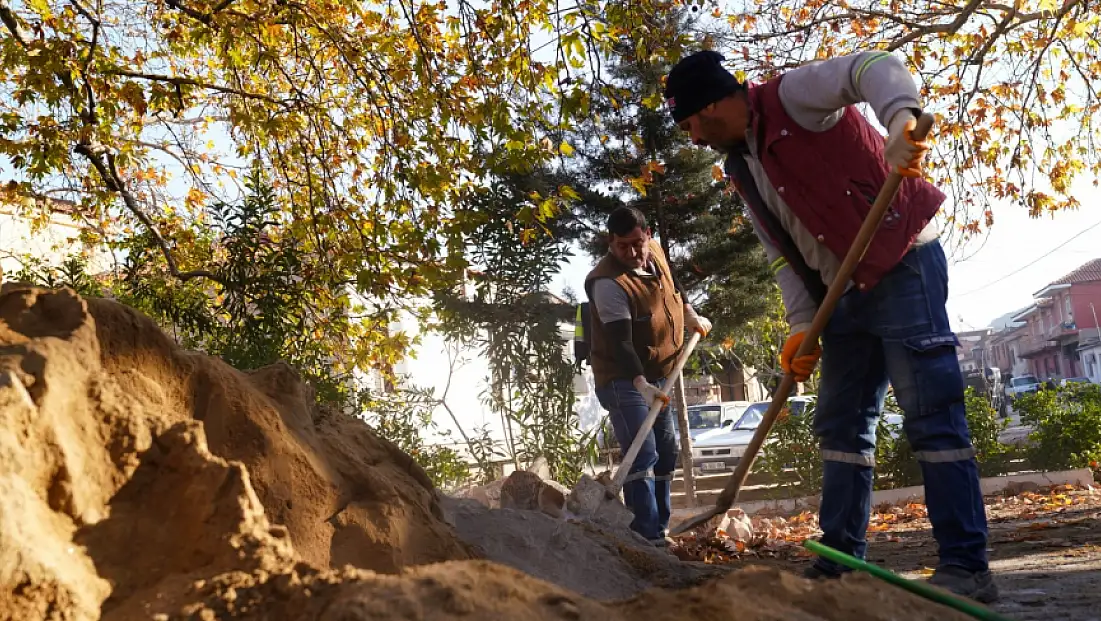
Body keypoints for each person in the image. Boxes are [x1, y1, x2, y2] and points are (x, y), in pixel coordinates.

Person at [662, 50, 996, 602]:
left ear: (722, 98)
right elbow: (780, 254)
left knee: (931, 416)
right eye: (686, 127)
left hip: (901, 265)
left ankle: (967, 567)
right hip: (840, 294)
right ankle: (840, 560)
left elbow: (871, 68)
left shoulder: (793, 96)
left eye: (697, 119)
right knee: (841, 427)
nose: (695, 135)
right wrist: (801, 326)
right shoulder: (742, 167)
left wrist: (901, 121)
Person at [584, 206, 712, 545]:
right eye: (622, 246)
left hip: (661, 374)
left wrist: (690, 312)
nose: (632, 253)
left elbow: (673, 285)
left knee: (666, 452)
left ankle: (661, 529)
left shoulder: (654, 252)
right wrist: (640, 385)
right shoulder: (608, 283)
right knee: (642, 454)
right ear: (611, 243)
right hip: (623, 379)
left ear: (648, 235)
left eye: (637, 243)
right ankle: (647, 538)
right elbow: (621, 342)